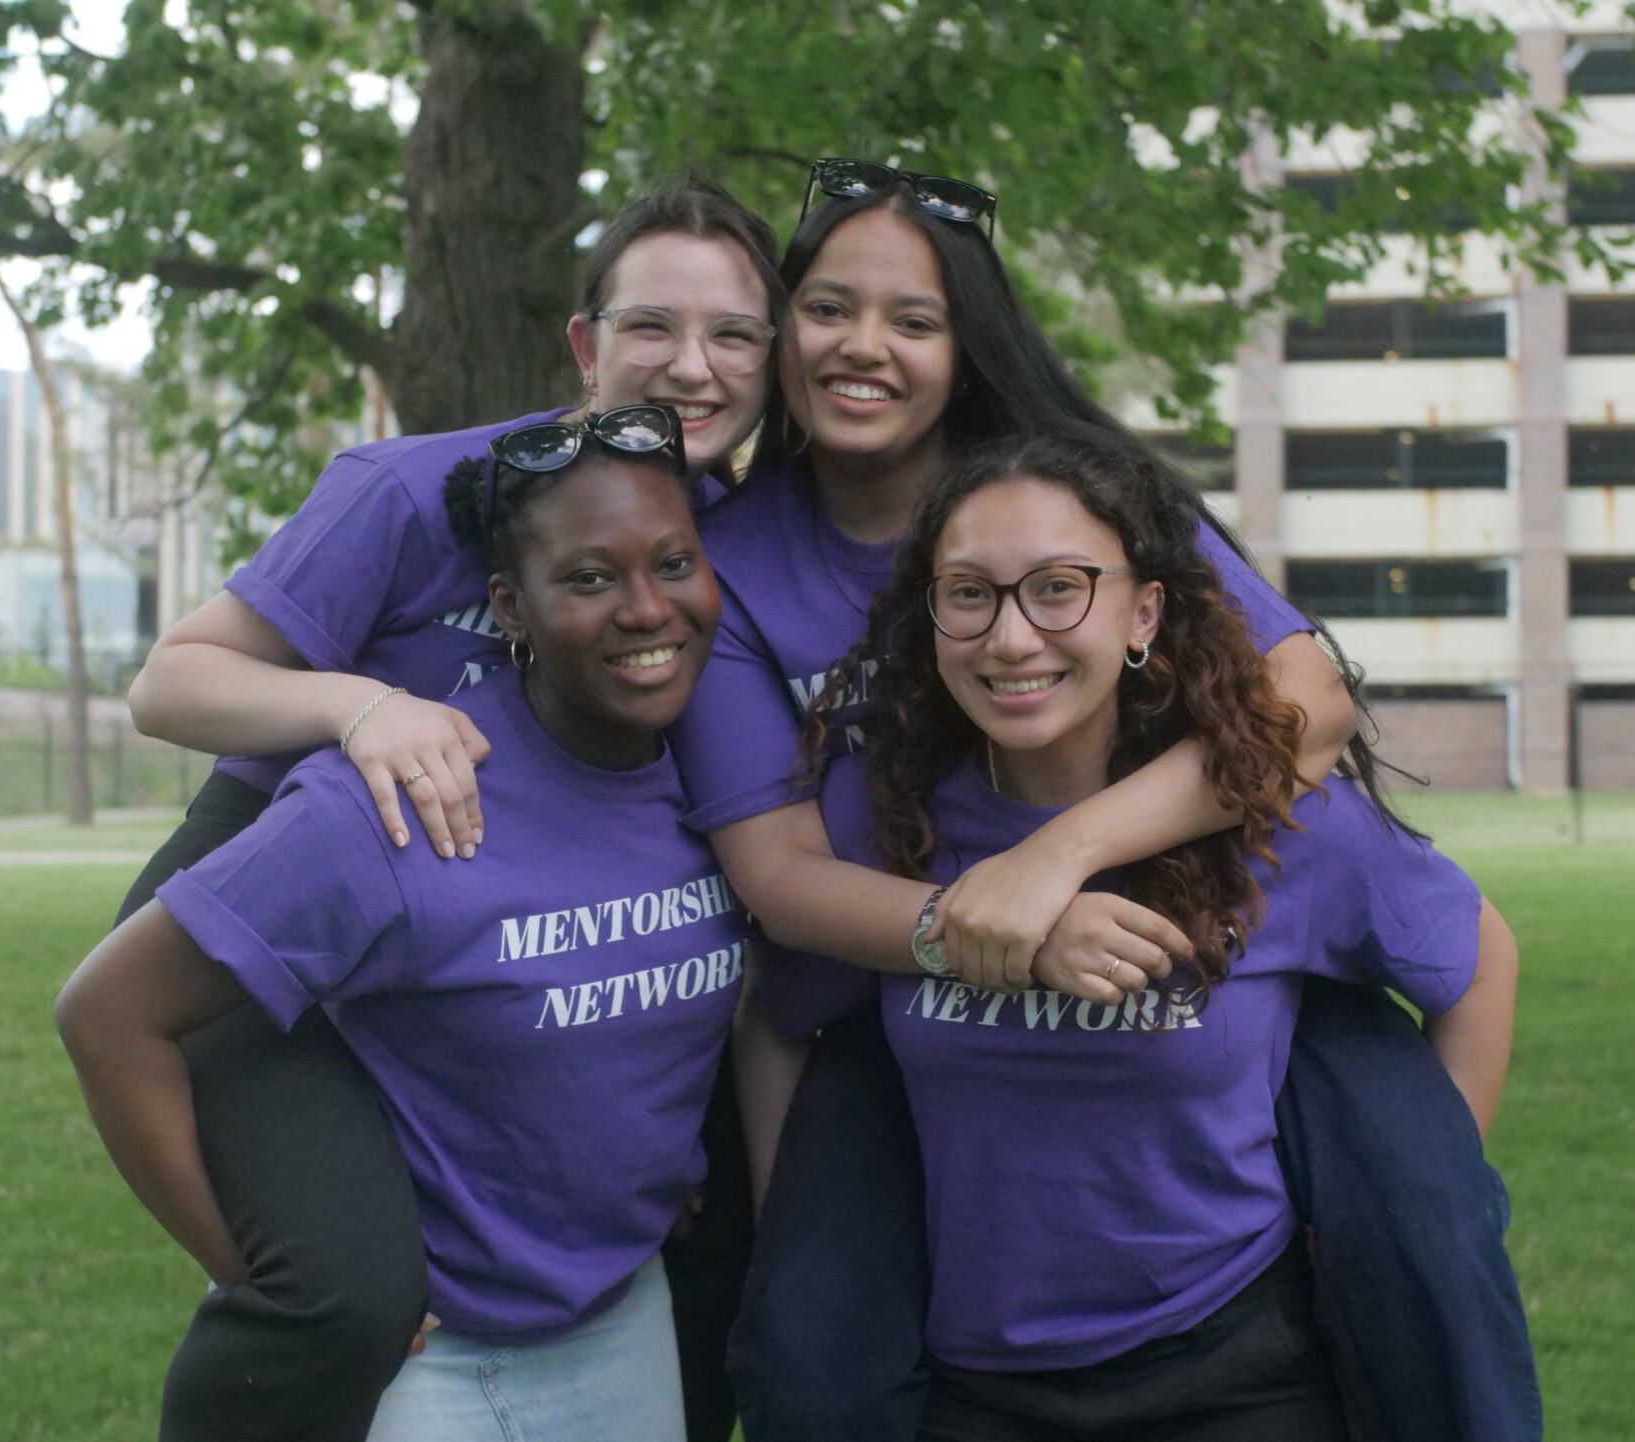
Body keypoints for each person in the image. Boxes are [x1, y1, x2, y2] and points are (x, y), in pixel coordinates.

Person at [672, 163, 1539, 1442]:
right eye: (829, 307)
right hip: (898, 940)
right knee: (810, 1351)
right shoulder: (730, 561)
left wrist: (1061, 856)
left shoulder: (1067, 494)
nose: (864, 347)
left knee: (1420, 1237)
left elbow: (1305, 699)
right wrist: (984, 923)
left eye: (913, 319)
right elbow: (785, 893)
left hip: (1204, 894)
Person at [112, 178, 782, 1442]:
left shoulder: (732, 531)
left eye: (735, 335)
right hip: (271, 905)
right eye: (653, 326)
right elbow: (167, 683)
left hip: (501, 927)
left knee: (712, 1237)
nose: (692, 366)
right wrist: (358, 706)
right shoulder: (412, 490)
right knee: (349, 1289)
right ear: (586, 346)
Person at [814, 428, 1522, 1440]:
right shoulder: (892, 824)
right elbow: (784, 1007)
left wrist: (1413, 1209)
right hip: (974, 1383)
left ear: (1143, 610)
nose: (1010, 637)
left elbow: (1479, 960)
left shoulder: (1283, 827)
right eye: (968, 593)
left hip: (1237, 1369)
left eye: (1058, 587)